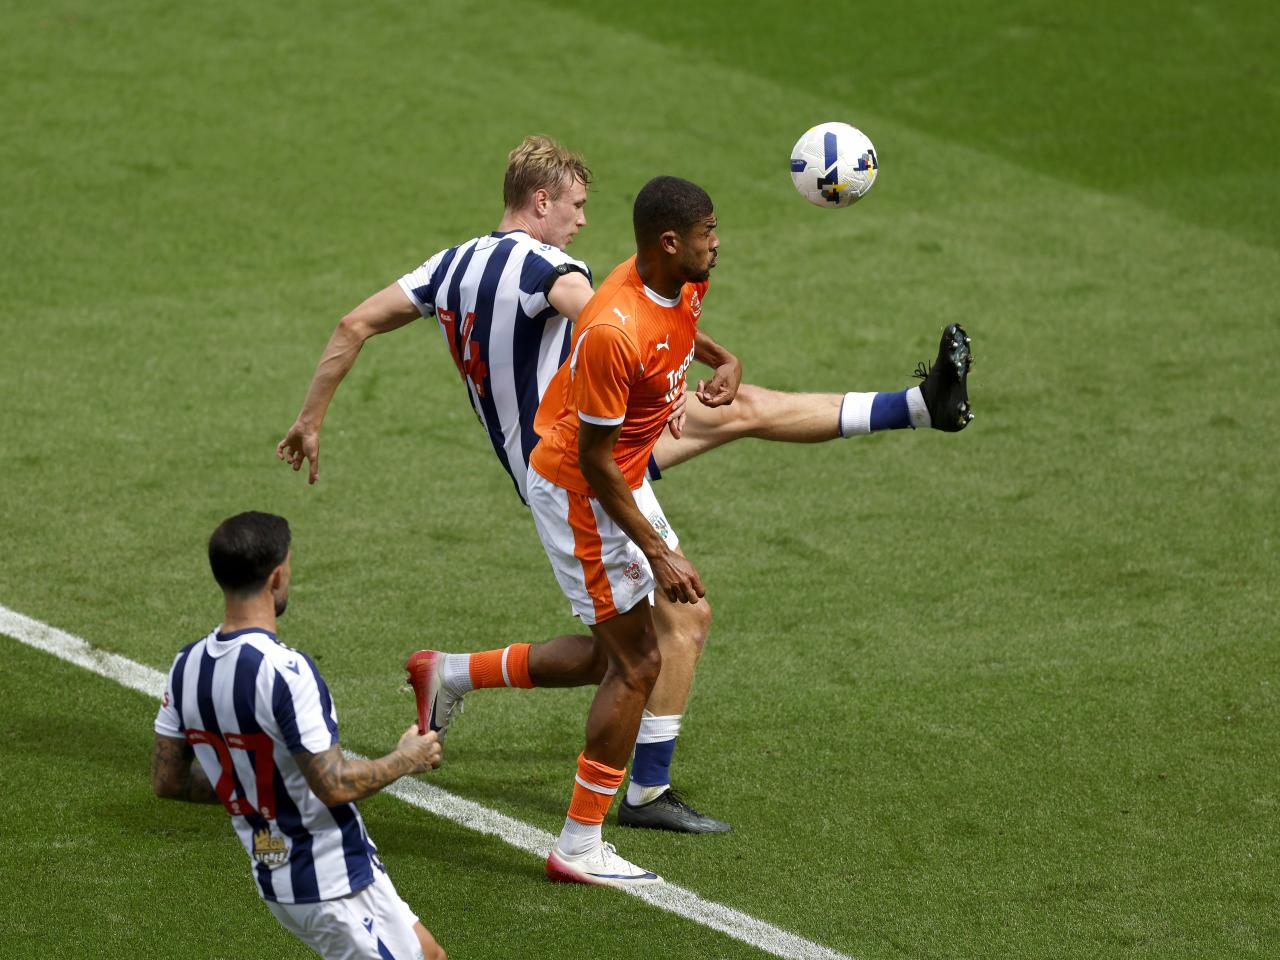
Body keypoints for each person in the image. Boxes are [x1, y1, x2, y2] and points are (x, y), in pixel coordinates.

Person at [276, 136, 972, 837]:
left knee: (741, 418)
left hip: (570, 448)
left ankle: (919, 406)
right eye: (575, 206)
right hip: (583, 451)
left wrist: (310, 419)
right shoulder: (547, 267)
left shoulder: (448, 264)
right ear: (541, 201)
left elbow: (352, 324)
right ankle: (634, 796)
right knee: (650, 641)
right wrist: (687, 361)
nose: (580, 221)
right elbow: (609, 313)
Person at [151, 511, 447, 960]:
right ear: (276, 577)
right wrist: (409, 756)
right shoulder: (285, 671)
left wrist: (257, 793)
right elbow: (333, 784)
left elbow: (168, 780)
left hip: (293, 872)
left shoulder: (185, 666)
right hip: (328, 884)